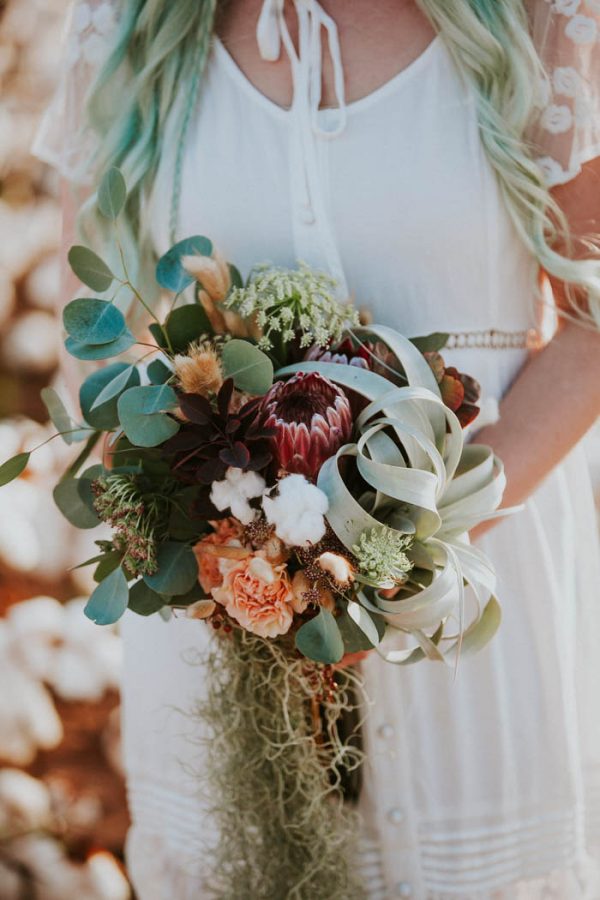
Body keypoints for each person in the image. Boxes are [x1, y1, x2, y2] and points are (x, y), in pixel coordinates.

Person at [33, 1, 600, 897]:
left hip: (478, 622)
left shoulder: (543, 21)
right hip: (223, 635)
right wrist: (229, 559)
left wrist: (407, 554)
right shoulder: (124, 28)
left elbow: (590, 322)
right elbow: (99, 347)